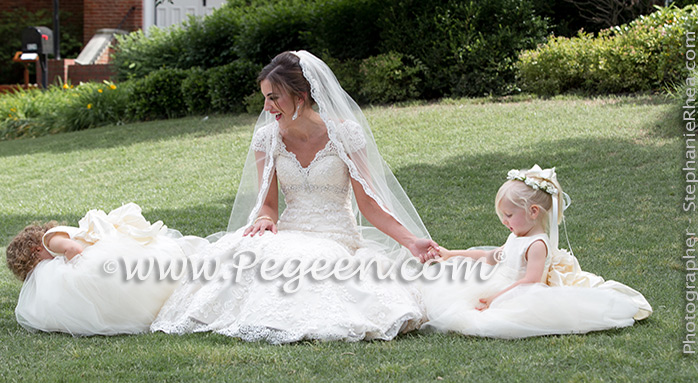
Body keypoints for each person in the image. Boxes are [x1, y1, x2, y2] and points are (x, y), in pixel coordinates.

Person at [151, 51, 439, 344]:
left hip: (335, 236)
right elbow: (268, 203)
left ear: (300, 97)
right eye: (265, 97)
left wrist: (410, 241)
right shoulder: (267, 138)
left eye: (274, 97)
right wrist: (264, 217)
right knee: (247, 254)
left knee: (309, 264)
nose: (267, 106)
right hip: (290, 229)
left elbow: (368, 203)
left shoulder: (344, 134)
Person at [420, 165, 652, 338]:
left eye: (509, 216)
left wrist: (495, 297)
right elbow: (489, 256)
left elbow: (530, 280)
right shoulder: (517, 236)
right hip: (499, 282)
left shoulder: (537, 244)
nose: (504, 222)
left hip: (520, 292)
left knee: (482, 319)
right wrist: (451, 254)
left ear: (533, 211)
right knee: (448, 294)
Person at [6, 203, 208, 336]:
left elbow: (74, 250)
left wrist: (75, 275)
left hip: (100, 257)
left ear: (36, 249)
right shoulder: (49, 241)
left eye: (37, 262)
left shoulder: (50, 239)